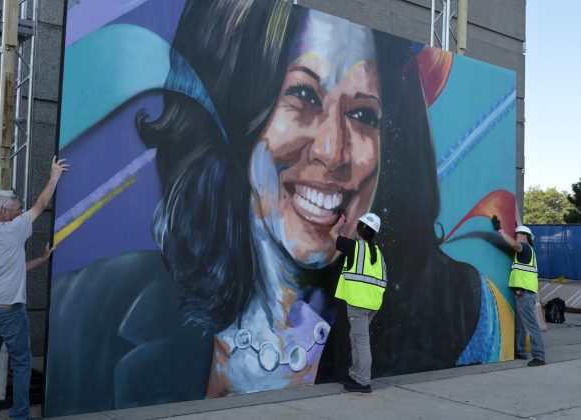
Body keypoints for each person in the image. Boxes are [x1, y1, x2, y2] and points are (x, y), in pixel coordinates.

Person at [45, 0, 501, 414]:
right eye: (303, 95)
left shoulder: (467, 316)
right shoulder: (84, 308)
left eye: (363, 115)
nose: (333, 150)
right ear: (238, 110)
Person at [0, 156, 68, 420]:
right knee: (22, 363)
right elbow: (41, 204)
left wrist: (41, 258)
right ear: (4, 211)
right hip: (8, 313)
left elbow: (14, 268)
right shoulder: (12, 230)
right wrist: (54, 176)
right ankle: (19, 416)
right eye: (17, 206)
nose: (20, 209)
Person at [331, 211, 387, 393]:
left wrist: (340, 222)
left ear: (361, 229)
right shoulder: (377, 253)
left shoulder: (354, 247)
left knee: (361, 341)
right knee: (355, 337)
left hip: (358, 302)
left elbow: (333, 236)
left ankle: (363, 381)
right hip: (372, 303)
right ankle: (355, 374)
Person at [492, 217, 545, 366]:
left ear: (524, 237)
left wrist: (500, 230)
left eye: (518, 235)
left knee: (531, 326)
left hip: (525, 294)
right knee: (521, 325)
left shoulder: (525, 248)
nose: (516, 237)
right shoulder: (528, 252)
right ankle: (520, 351)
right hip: (523, 293)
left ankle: (539, 357)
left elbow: (515, 245)